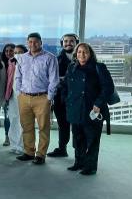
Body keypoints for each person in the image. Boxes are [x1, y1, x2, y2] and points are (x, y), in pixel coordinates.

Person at [63, 43, 113, 175]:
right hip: (76, 109)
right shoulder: (71, 67)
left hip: (92, 110)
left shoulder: (99, 67)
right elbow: (66, 85)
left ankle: (90, 167)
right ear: (76, 54)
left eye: (85, 52)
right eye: (79, 52)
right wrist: (66, 100)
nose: (82, 55)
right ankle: (78, 163)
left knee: (92, 140)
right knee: (78, 139)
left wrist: (98, 104)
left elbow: (108, 88)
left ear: (90, 54)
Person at [15, 32, 59, 165]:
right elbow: (18, 77)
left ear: (41, 42)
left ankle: (40, 154)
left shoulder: (50, 58)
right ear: (27, 43)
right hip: (24, 97)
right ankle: (29, 152)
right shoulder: (22, 58)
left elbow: (54, 80)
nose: (32, 44)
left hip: (42, 97)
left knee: (43, 127)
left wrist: (49, 97)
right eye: (30, 42)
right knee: (26, 126)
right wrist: (19, 93)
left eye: (35, 42)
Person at [48, 33, 79, 158]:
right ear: (62, 43)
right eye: (66, 41)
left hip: (77, 99)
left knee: (78, 126)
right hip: (60, 98)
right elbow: (52, 78)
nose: (68, 43)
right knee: (63, 125)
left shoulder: (82, 57)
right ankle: (62, 148)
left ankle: (79, 152)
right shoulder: (56, 58)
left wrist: (64, 79)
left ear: (76, 43)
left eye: (71, 41)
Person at [1, 43, 24, 153]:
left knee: (22, 121)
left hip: (24, 95)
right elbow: (9, 80)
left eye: (20, 52)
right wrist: (7, 95)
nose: (17, 54)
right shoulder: (11, 62)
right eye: (16, 52)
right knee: (13, 119)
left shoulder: (27, 64)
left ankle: (22, 146)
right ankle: (14, 144)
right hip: (12, 95)